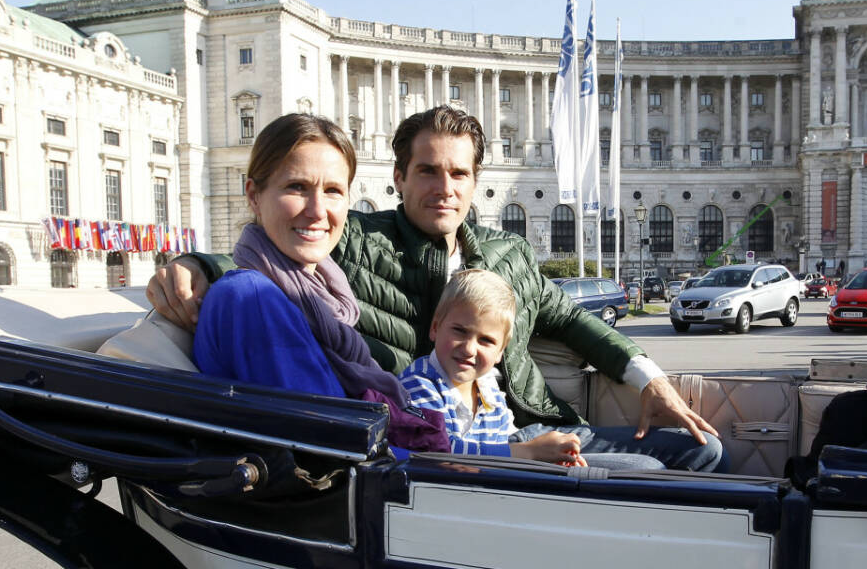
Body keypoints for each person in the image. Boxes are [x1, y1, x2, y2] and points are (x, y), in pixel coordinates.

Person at [150, 105, 724, 473]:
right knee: (647, 481)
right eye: (426, 170)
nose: (443, 187)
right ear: (398, 178)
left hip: (523, 423)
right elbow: (282, 255)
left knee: (704, 448)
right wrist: (199, 265)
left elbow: (576, 322)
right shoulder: (355, 240)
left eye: (458, 173)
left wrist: (651, 380)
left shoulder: (512, 257)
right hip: (440, 448)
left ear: (478, 182)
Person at [192, 113, 448, 454]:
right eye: (297, 187)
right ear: (254, 195)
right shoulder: (252, 298)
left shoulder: (324, 297)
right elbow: (327, 445)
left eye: (332, 191)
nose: (317, 210)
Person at [399, 269, 665, 469]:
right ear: (435, 328)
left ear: (501, 351)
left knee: (648, 465)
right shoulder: (418, 386)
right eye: (459, 331)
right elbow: (438, 453)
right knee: (644, 469)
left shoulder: (487, 384)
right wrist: (530, 453)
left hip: (498, 482)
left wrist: (547, 459)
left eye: (486, 341)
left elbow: (506, 440)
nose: (469, 348)